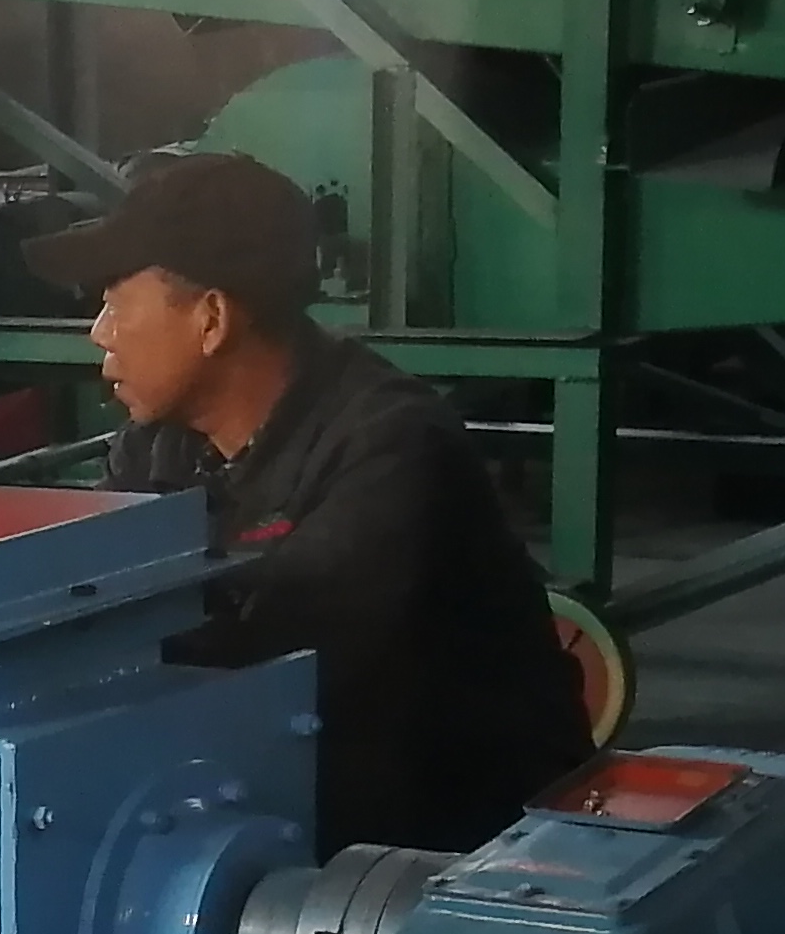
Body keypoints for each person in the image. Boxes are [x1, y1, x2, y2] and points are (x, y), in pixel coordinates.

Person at [51, 146, 595, 855]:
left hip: (460, 853)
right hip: (293, 812)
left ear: (212, 319)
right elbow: (91, 591)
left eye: (116, 302)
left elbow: (280, 667)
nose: (99, 331)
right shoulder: (158, 443)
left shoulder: (392, 445)